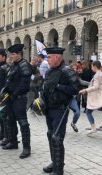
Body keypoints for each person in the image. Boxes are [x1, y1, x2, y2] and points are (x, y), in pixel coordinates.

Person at [41, 47, 80, 175]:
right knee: (50, 135)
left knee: (57, 138)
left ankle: (59, 170)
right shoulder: (49, 71)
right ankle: (55, 162)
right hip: (49, 109)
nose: (48, 59)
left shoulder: (66, 70)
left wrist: (58, 86)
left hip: (60, 109)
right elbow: (46, 87)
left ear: (57, 57)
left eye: (50, 57)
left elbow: (76, 88)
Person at [1, 44, 32, 159]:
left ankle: (26, 148)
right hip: (10, 98)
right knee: (10, 119)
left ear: (19, 54)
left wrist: (14, 94)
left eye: (13, 54)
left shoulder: (24, 65)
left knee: (23, 123)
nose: (11, 56)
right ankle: (13, 142)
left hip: (19, 98)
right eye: (11, 54)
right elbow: (9, 80)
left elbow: (24, 84)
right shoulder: (13, 65)